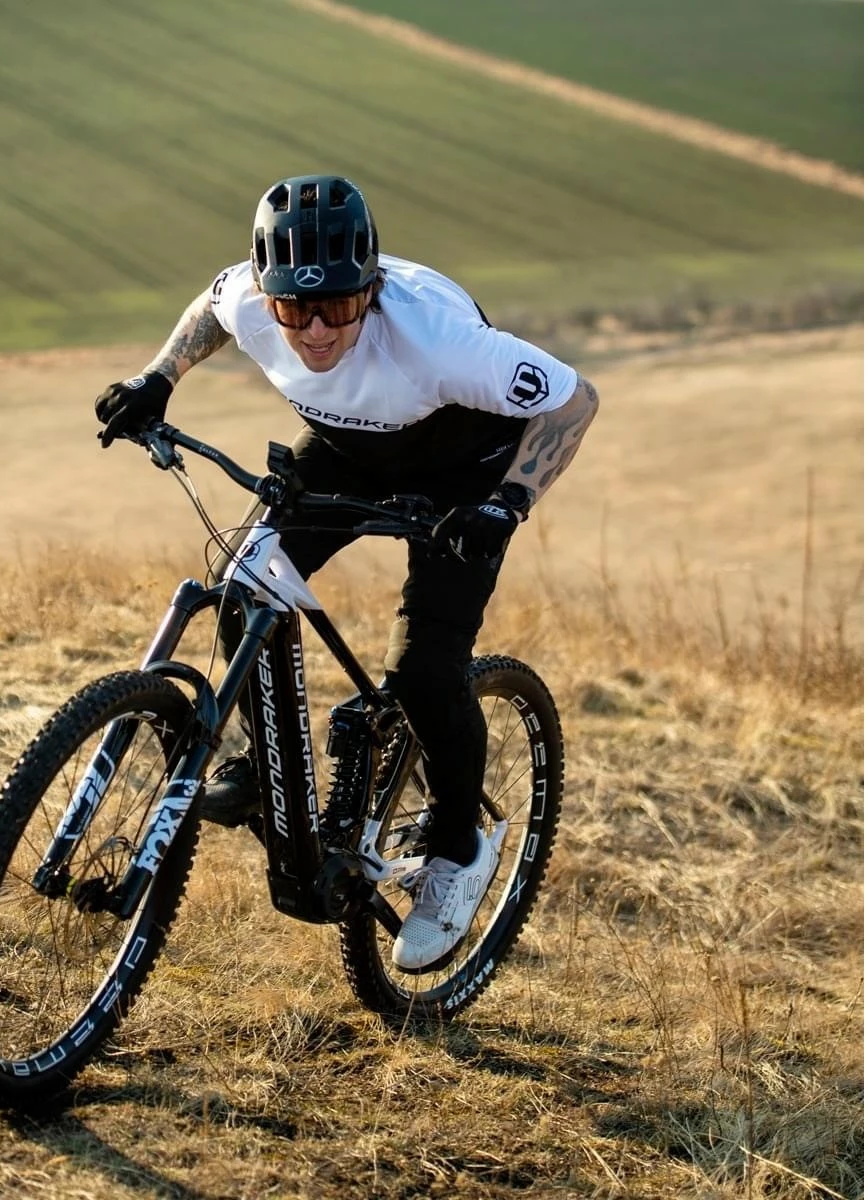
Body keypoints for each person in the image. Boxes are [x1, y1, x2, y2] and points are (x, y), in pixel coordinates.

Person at [94, 174, 598, 972]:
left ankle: (459, 848)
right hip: (347, 449)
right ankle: (264, 771)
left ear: (372, 288)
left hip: (466, 473)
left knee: (425, 670)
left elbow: (574, 400)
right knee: (242, 584)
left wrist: (506, 506)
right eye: (295, 309)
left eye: (338, 304)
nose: (317, 328)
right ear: (268, 293)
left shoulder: (437, 338)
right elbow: (211, 307)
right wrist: (156, 379)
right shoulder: (251, 300)